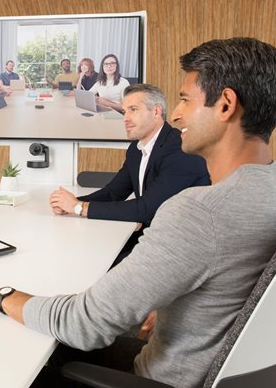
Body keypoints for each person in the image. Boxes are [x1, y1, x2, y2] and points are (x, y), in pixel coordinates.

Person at [0, 37, 276, 388]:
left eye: (185, 100)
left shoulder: (200, 211)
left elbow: (84, 323)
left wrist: (2, 296)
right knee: (46, 345)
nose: (176, 115)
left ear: (226, 105)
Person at [49, 83, 210, 264]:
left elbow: (147, 210)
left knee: (98, 263)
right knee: (88, 253)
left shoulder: (179, 149)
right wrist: (72, 203)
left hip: (182, 247)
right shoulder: (136, 148)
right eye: (124, 111)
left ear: (156, 112)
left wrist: (79, 208)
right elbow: (114, 192)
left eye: (133, 110)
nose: (125, 118)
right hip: (154, 235)